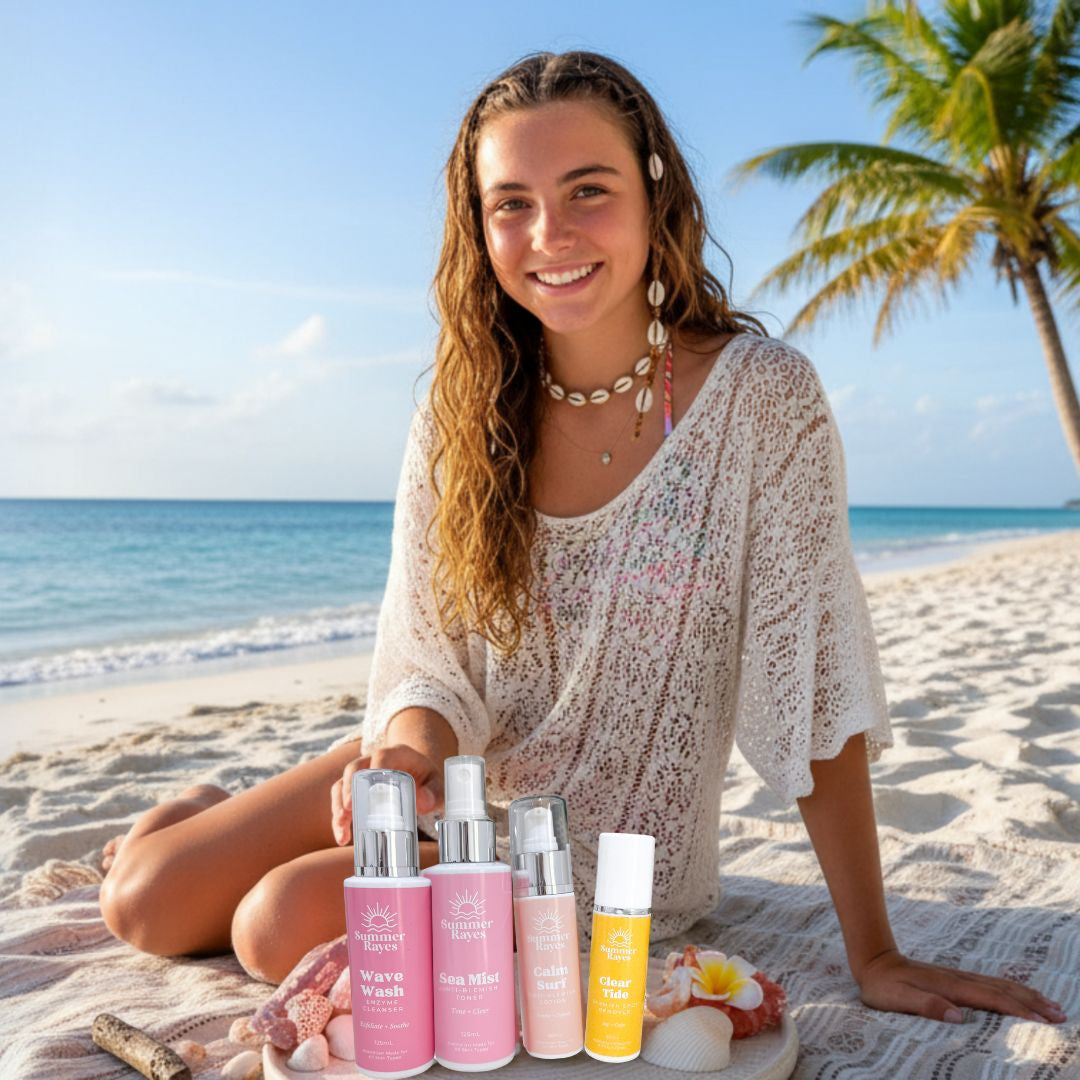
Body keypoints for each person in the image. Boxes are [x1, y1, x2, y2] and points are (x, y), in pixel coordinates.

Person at [100, 50, 1066, 1028]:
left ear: (655, 194)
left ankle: (239, 825)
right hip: (445, 786)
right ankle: (203, 812)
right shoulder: (461, 409)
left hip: (606, 864)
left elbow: (812, 688)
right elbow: (429, 662)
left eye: (587, 190)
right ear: (479, 224)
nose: (548, 234)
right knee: (141, 904)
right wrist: (405, 754)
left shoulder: (763, 400)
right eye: (511, 203)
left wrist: (875, 951)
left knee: (274, 924)